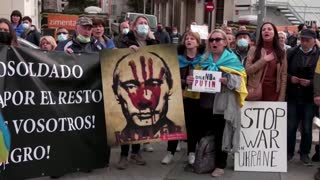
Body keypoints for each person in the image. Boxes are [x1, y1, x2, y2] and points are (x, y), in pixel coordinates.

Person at [187, 29, 247, 177]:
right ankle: (204, 160)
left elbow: (241, 81)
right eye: (211, 40)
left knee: (221, 134)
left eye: (218, 39)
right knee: (202, 133)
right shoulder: (204, 58)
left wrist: (228, 80)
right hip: (204, 103)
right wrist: (190, 80)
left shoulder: (232, 59)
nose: (214, 42)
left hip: (222, 103)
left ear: (225, 42)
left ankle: (220, 164)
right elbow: (195, 77)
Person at [116, 15, 158, 170]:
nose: (144, 26)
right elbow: (115, 57)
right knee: (128, 118)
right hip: (129, 85)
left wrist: (153, 41)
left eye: (146, 23)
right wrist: (127, 51)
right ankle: (123, 154)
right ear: (133, 27)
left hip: (146, 85)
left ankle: (136, 152)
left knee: (140, 118)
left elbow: (159, 56)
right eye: (141, 23)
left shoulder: (151, 40)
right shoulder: (124, 40)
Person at [161, 31, 205, 165]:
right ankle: (170, 152)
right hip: (178, 96)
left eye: (192, 39)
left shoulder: (204, 59)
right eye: (187, 38)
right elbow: (169, 77)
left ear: (198, 43)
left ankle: (191, 152)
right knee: (175, 124)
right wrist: (184, 81)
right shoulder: (177, 58)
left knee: (193, 125)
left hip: (196, 98)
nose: (189, 40)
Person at [287, 29, 319, 165]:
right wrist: (291, 78)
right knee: (291, 126)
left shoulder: (318, 55)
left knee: (307, 127)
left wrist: (310, 83)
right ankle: (288, 152)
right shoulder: (291, 53)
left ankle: (304, 153)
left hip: (309, 97)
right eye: (302, 40)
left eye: (307, 40)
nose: (304, 43)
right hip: (293, 95)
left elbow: (319, 77)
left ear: (314, 41)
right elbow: (283, 72)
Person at [245, 22, 287, 101]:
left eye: (269, 29)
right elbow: (247, 70)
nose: (266, 31)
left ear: (274, 33)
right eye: (263, 30)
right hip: (255, 92)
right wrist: (263, 60)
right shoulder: (253, 49)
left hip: (273, 94)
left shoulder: (281, 52)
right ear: (261, 34)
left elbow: (283, 77)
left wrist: (281, 97)